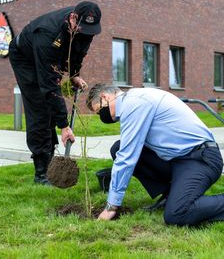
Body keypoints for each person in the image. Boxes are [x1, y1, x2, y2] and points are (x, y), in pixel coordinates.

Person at [86, 84, 224, 226]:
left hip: (200, 158)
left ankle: (178, 201)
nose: (101, 116)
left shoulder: (134, 103)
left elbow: (127, 158)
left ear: (105, 97)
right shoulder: (134, 98)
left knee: (176, 214)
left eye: (99, 111)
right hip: (178, 159)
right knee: (118, 148)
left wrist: (111, 206)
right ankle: (170, 195)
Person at [9, 1, 101, 185]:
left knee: (49, 106)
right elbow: (49, 87)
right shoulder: (47, 34)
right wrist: (64, 125)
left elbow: (78, 51)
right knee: (40, 108)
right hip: (25, 58)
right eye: (83, 29)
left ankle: (50, 157)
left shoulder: (86, 28)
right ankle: (41, 173)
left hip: (49, 56)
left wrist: (74, 74)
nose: (87, 34)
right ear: (73, 18)